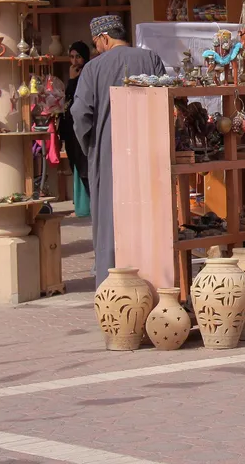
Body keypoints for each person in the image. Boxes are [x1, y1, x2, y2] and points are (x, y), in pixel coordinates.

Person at [72, 15, 166, 287]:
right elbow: (167, 99)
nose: (96, 48)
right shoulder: (151, 59)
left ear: (104, 38)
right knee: (150, 218)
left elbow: (80, 114)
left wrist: (91, 147)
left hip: (109, 154)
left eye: (95, 43)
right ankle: (155, 285)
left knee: (110, 221)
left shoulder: (93, 68)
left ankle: (112, 289)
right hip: (150, 152)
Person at [60, 41, 91, 218]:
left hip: (83, 128)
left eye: (78, 56)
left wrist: (73, 80)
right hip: (72, 130)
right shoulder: (74, 75)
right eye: (72, 57)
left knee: (84, 165)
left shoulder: (88, 74)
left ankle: (88, 207)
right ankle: (81, 206)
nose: (75, 61)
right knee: (76, 164)